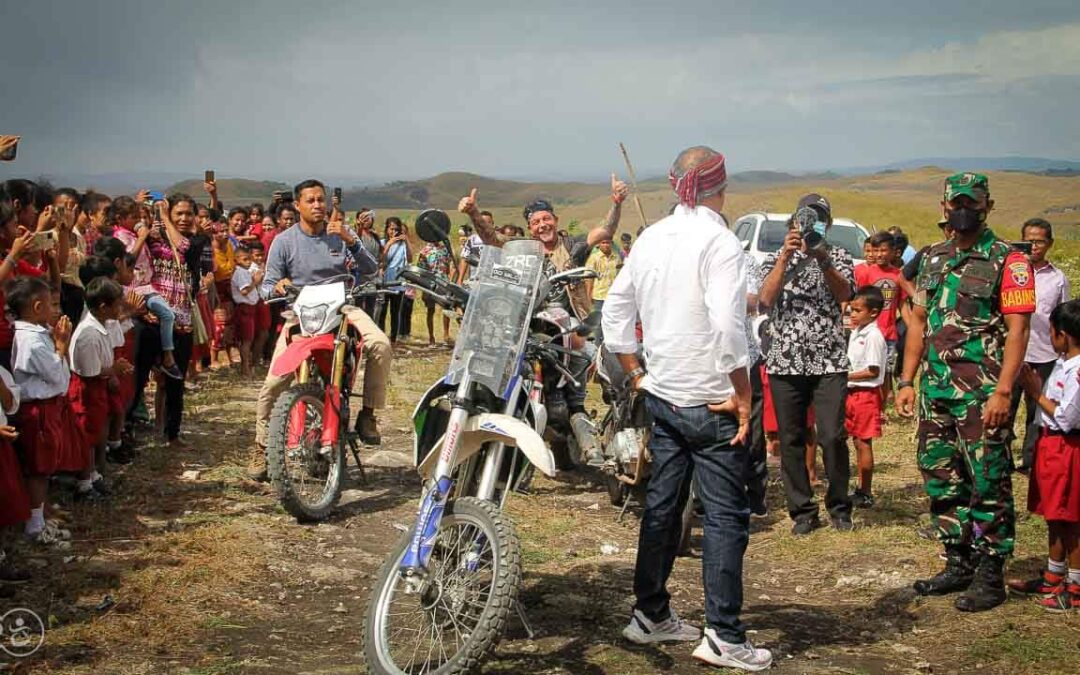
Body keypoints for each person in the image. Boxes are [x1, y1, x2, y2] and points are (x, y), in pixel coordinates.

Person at [602, 146, 770, 671]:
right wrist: (743, 392)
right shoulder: (720, 241)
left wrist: (636, 374)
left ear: (676, 184)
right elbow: (727, 323)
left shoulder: (651, 238)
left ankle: (650, 614)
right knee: (724, 516)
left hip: (664, 396)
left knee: (661, 507)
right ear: (721, 185)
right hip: (712, 400)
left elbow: (614, 314)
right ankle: (723, 634)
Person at [897, 172, 1036, 612]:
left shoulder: (1008, 261)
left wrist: (1004, 391)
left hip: (983, 393)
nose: (963, 210)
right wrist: (906, 380)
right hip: (935, 390)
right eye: (956, 203)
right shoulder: (933, 257)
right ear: (943, 208)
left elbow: (1019, 329)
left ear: (987, 207)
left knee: (988, 481)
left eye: (972, 203)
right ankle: (958, 562)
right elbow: (918, 323)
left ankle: (991, 573)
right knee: (940, 476)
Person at [254, 179, 390, 479]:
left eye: (321, 200)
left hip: (342, 306)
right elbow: (266, 285)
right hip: (301, 312)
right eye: (311, 201)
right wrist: (277, 285)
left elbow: (370, 270)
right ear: (297, 205)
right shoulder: (284, 241)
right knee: (273, 383)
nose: (318, 205)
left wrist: (351, 240)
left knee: (380, 344)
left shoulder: (340, 233)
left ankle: (368, 415)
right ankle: (262, 446)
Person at [758, 193, 855, 535]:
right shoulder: (774, 257)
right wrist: (785, 257)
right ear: (794, 221)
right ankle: (802, 511)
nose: (811, 223)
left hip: (828, 360)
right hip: (786, 360)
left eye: (818, 218)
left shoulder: (839, 256)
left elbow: (846, 296)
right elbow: (765, 300)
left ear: (826, 224)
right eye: (805, 217)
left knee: (831, 436)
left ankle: (840, 507)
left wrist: (822, 259)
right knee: (791, 439)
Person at [9, 277, 94, 544]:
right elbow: (58, 377)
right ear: (36, 308)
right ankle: (35, 525)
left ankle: (40, 516)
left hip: (47, 408)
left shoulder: (37, 333)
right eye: (50, 305)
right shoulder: (31, 341)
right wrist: (61, 346)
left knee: (44, 467)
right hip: (38, 412)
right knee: (38, 468)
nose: (55, 311)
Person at [1008, 299, 1080, 612]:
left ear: (1062, 334)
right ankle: (1054, 575)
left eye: (1050, 331)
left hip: (1068, 447)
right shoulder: (1063, 363)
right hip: (1050, 446)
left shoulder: (1078, 372)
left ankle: (1075, 588)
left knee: (1071, 520)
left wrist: (1035, 393)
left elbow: (1066, 417)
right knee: (1054, 516)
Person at [1008, 218, 1070, 473]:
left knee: (1037, 411)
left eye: (1039, 241)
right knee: (1006, 407)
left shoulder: (1058, 278)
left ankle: (1031, 463)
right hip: (1011, 353)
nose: (1034, 246)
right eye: (1029, 241)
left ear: (1049, 244)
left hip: (1044, 354)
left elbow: (1064, 317)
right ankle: (1002, 460)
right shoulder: (1010, 272)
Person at [68, 277, 133, 488]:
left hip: (97, 387)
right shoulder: (89, 334)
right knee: (87, 435)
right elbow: (89, 372)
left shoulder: (101, 325)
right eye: (117, 304)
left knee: (97, 430)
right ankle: (85, 483)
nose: (120, 308)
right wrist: (114, 370)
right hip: (87, 390)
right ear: (103, 307)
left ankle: (94, 473)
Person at [854, 231, 915, 404]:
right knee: (868, 369)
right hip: (868, 333)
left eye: (883, 250)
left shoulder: (898, 276)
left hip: (889, 333)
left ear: (893, 251)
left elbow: (903, 305)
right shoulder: (866, 273)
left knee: (885, 370)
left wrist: (913, 329)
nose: (878, 254)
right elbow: (859, 303)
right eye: (875, 250)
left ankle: (882, 406)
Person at [846, 286, 887, 508]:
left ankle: (865, 491)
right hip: (852, 391)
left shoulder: (873, 336)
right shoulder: (856, 331)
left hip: (865, 393)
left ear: (873, 312)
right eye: (852, 309)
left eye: (857, 310)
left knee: (863, 442)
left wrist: (845, 376)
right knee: (854, 440)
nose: (852, 314)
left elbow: (873, 370)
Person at [231, 246, 262, 377]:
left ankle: (246, 367)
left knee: (248, 339)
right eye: (245, 259)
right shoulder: (241, 273)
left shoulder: (245, 271)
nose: (249, 262)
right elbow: (244, 291)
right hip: (244, 308)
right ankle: (245, 369)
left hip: (249, 308)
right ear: (236, 260)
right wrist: (255, 282)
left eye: (249, 259)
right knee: (246, 341)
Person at [415, 238, 452, 347]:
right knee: (430, 310)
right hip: (429, 284)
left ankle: (446, 335)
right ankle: (431, 337)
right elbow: (421, 270)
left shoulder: (445, 250)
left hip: (443, 282)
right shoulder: (424, 251)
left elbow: (448, 267)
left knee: (446, 308)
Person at [379, 218, 410, 343]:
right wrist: (389, 244)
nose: (394, 232)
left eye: (397, 229)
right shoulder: (382, 242)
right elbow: (379, 260)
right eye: (391, 229)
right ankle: (381, 337)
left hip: (398, 281)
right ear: (387, 229)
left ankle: (393, 339)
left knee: (395, 312)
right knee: (382, 311)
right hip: (385, 281)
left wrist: (407, 241)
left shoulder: (402, 245)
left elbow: (410, 258)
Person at [350, 208, 382, 317]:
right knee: (358, 306)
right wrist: (358, 227)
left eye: (368, 217)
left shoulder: (375, 236)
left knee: (371, 306)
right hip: (360, 276)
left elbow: (379, 255)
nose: (366, 220)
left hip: (374, 276)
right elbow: (355, 244)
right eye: (363, 217)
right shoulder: (355, 234)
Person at [584, 234, 620, 317]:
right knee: (598, 321)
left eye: (608, 243)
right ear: (599, 244)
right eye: (603, 243)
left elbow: (619, 277)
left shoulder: (616, 258)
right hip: (599, 296)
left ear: (611, 244)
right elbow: (589, 278)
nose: (606, 245)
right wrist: (588, 295)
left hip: (613, 296)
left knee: (612, 319)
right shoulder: (593, 258)